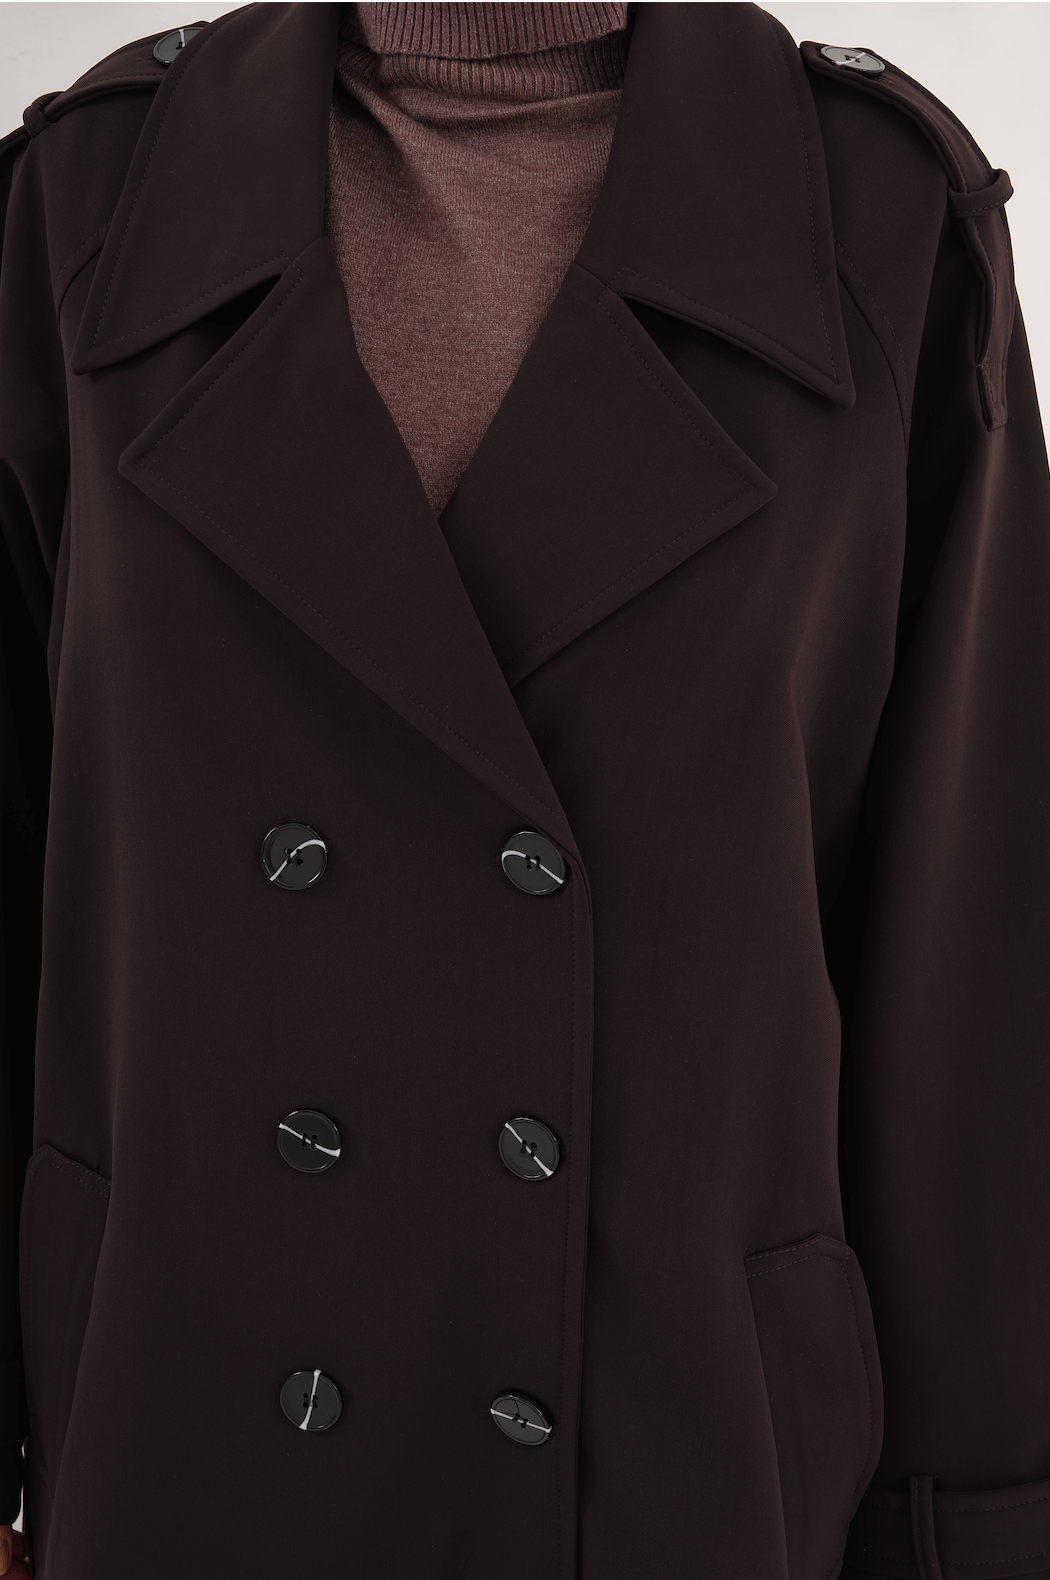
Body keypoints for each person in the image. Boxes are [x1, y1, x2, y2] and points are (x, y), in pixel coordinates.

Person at [2, 4, 1049, 1577]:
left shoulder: (878, 215)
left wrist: (972, 1529)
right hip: (184, 1416)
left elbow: (968, 965)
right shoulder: (90, 198)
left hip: (676, 1448)